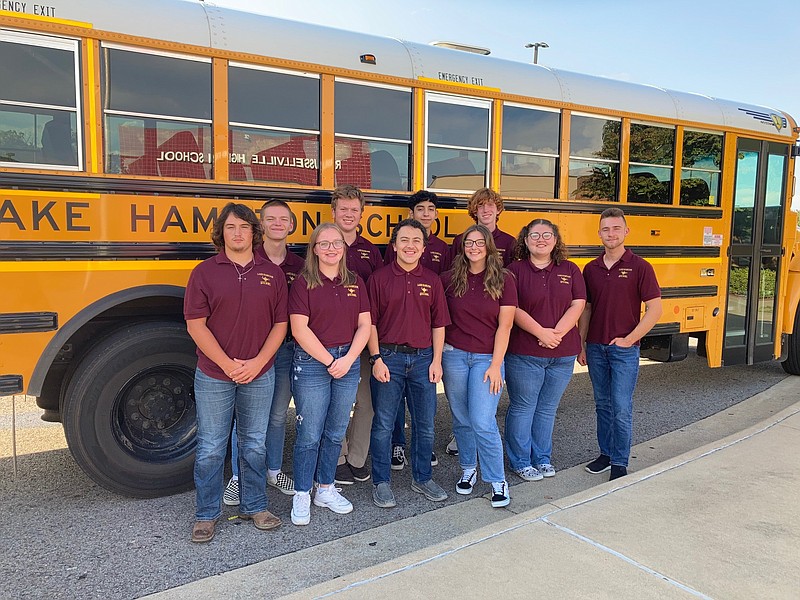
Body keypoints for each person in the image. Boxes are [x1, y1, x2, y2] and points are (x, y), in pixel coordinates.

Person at [184, 202, 288, 543]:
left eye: (244, 227)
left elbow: (280, 324)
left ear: (254, 233)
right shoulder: (204, 272)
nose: (238, 233)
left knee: (254, 444)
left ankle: (255, 505)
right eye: (231, 227)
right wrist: (228, 364)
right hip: (214, 373)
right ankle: (206, 514)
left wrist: (258, 363)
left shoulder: (271, 273)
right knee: (212, 446)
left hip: (260, 372)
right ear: (221, 233)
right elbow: (196, 325)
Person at [288, 223, 372, 525]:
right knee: (309, 434)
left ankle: (325, 488)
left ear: (344, 248)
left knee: (336, 431)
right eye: (324, 244)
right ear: (314, 249)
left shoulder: (355, 282)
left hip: (347, 361)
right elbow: (299, 329)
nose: (331, 248)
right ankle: (302, 492)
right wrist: (329, 361)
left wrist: (348, 358)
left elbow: (365, 325)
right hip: (312, 364)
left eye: (336, 243)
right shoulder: (303, 283)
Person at [224, 200, 303, 506]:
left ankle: (272, 471)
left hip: (284, 351)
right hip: (249, 351)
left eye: (284, 219)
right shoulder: (246, 259)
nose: (277, 224)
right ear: (261, 225)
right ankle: (238, 476)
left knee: (277, 414)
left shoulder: (299, 265)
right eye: (270, 219)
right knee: (244, 417)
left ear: (291, 225)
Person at [368, 219, 451, 508]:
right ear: (394, 245)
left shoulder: (432, 280)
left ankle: (423, 477)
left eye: (416, 240)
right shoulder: (378, 279)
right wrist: (376, 358)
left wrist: (437, 361)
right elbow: (371, 323)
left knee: (425, 424)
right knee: (383, 424)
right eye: (404, 240)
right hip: (388, 359)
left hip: (423, 359)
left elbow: (439, 324)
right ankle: (381, 482)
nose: (410, 245)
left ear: (424, 247)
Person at [578, 207, 662, 480]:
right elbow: (586, 309)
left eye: (616, 228)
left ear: (626, 231)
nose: (610, 234)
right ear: (599, 233)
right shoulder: (591, 269)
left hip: (624, 350)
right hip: (596, 347)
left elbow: (654, 310)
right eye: (606, 229)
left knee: (621, 406)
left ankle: (620, 463)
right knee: (602, 404)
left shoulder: (640, 267)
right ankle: (605, 454)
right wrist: (581, 343)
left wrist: (630, 339)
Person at [441, 224, 516, 507]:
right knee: (461, 418)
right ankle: (468, 469)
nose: (473, 247)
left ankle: (497, 480)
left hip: (487, 359)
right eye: (468, 242)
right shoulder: (449, 279)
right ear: (462, 248)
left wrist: (497, 365)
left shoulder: (504, 280)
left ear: (489, 246)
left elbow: (505, 326)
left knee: (483, 420)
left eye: (479, 242)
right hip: (454, 356)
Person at [504, 219, 586, 483]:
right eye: (535, 235)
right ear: (525, 241)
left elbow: (578, 303)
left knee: (548, 408)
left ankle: (542, 458)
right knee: (524, 406)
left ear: (555, 239)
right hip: (525, 353)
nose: (541, 239)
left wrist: (557, 334)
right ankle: (520, 461)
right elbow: (511, 308)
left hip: (562, 354)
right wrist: (541, 333)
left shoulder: (570, 269)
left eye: (547, 234)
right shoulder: (513, 271)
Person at [384, 190, 449, 471]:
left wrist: (437, 355)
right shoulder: (398, 245)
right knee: (393, 404)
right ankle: (398, 444)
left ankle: (423, 451)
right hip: (395, 340)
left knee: (424, 408)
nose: (425, 213)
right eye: (420, 208)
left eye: (430, 209)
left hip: (425, 335)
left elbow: (444, 284)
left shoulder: (443, 248)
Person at [331, 185, 383, 486]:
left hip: (363, 340)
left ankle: (357, 459)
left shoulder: (370, 251)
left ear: (361, 214)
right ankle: (336, 457)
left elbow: (377, 295)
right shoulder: (324, 245)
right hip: (330, 340)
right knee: (335, 403)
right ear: (333, 212)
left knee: (366, 403)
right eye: (343, 209)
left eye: (354, 210)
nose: (348, 215)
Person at [450, 188, 516, 267]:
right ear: (475, 211)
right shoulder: (460, 240)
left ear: (498, 210)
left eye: (490, 205)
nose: (485, 210)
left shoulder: (509, 242)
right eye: (480, 205)